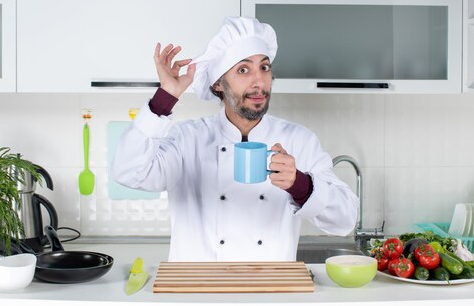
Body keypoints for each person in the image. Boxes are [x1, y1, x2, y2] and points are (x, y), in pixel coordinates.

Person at [112, 16, 358, 261]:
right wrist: (165, 97)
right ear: (219, 83)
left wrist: (300, 184)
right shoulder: (188, 139)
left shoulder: (299, 140)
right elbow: (129, 171)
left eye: (264, 67)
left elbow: (345, 220)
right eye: (243, 70)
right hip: (198, 291)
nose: (259, 81)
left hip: (269, 291)